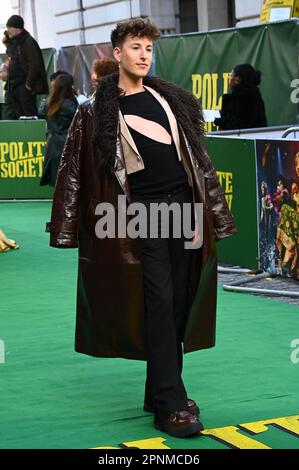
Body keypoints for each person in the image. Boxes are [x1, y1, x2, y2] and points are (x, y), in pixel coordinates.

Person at [46, 18, 237, 438]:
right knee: (159, 302)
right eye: (135, 47)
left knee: (178, 303)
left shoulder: (169, 100)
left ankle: (160, 392)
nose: (144, 55)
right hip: (139, 217)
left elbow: (199, 164)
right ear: (117, 54)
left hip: (183, 212)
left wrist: (210, 215)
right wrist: (64, 227)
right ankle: (170, 403)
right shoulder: (94, 110)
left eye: (149, 48)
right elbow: (73, 168)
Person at [2, 15, 49, 119]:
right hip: (13, 85)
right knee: (18, 115)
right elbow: (11, 56)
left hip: (23, 86)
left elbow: (34, 64)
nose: (8, 30)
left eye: (10, 28)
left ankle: (33, 135)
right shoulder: (15, 41)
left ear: (17, 28)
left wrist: (28, 84)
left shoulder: (27, 42)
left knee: (29, 114)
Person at [39, 73, 78, 187]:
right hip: (67, 143)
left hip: (52, 143)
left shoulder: (48, 103)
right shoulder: (69, 104)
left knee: (57, 177)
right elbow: (80, 117)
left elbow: (41, 113)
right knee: (68, 176)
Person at [214, 64, 267, 130]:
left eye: (231, 75)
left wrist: (221, 121)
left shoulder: (243, 98)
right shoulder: (255, 95)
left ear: (237, 80)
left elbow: (239, 124)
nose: (230, 79)